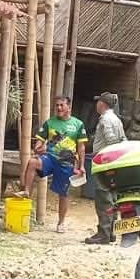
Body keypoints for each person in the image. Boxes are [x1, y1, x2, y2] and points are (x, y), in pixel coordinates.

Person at [20, 96, 88, 233]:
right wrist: (40, 148)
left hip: (67, 163)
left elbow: (81, 147)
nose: (58, 108)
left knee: (63, 194)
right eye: (57, 105)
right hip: (49, 158)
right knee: (32, 162)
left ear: (69, 107)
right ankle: (26, 191)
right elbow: (38, 145)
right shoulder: (49, 123)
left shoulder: (78, 124)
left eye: (62, 105)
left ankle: (61, 223)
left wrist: (81, 166)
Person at [85, 92, 127, 245]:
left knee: (104, 197)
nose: (96, 104)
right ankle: (111, 233)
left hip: (105, 162)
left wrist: (108, 157)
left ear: (102, 104)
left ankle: (103, 233)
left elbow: (111, 140)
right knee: (113, 197)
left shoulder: (105, 119)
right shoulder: (116, 119)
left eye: (98, 102)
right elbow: (123, 140)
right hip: (115, 162)